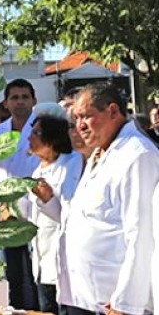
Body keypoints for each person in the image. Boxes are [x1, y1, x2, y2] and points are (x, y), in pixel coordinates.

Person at [64, 83, 158, 315]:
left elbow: (141, 234)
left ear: (113, 112)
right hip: (90, 297)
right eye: (76, 119)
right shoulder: (99, 152)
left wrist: (126, 301)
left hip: (119, 303)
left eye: (86, 116)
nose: (80, 126)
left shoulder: (137, 155)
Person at [0, 79, 40, 310]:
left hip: (36, 210)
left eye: (25, 97)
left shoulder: (41, 130)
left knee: (36, 276)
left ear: (34, 101)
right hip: (6, 214)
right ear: (6, 103)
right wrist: (2, 206)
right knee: (11, 276)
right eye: (15, 97)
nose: (20, 102)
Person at [24, 113, 83, 314]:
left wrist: (48, 199)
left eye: (36, 133)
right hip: (42, 259)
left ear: (53, 138)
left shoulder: (72, 164)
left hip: (64, 259)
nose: (29, 138)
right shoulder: (37, 170)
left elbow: (70, 217)